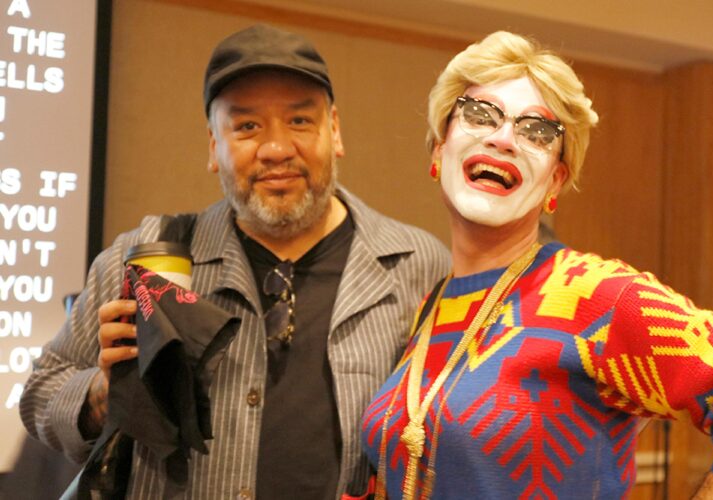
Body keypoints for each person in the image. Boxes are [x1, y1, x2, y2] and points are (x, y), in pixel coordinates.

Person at [360, 31, 713, 499]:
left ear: (556, 181)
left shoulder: (597, 297)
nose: (504, 138)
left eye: (537, 131)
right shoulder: (432, 306)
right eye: (480, 114)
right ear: (439, 149)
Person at [20, 24, 450, 499]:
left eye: (299, 121)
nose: (276, 149)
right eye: (247, 127)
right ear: (213, 145)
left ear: (334, 130)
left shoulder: (415, 264)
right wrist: (105, 390)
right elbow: (41, 394)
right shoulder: (142, 258)